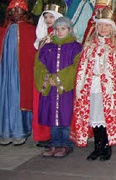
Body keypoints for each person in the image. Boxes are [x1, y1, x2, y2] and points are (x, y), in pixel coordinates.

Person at [70, 7, 116, 161]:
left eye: (106, 25)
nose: (103, 28)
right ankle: (97, 146)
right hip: (92, 85)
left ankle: (107, 147)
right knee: (95, 117)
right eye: (100, 25)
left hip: (110, 89)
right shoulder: (89, 45)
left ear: (112, 27)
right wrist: (82, 85)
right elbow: (82, 67)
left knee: (105, 117)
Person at [34, 17, 82, 158]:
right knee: (52, 116)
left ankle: (66, 144)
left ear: (69, 30)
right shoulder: (47, 48)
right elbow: (39, 66)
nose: (59, 32)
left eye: (63, 29)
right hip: (51, 88)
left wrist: (59, 78)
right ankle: (55, 143)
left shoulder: (76, 47)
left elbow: (77, 67)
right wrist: (48, 78)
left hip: (66, 89)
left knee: (65, 115)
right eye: (57, 29)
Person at [0, 0, 36, 145]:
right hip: (5, 73)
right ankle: (5, 131)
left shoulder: (30, 30)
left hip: (21, 73)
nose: (15, 11)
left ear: (25, 11)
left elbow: (32, 54)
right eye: (13, 9)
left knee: (19, 97)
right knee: (5, 97)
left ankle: (19, 131)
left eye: (19, 8)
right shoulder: (4, 29)